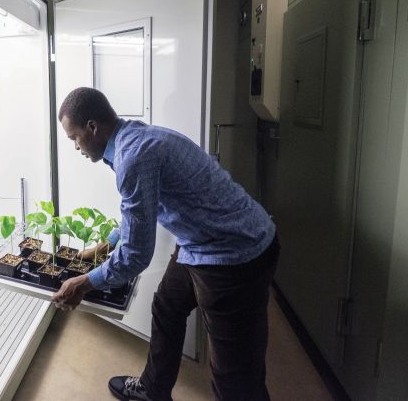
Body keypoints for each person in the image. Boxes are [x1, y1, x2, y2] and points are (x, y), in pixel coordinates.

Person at [51, 87, 279, 401]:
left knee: (236, 378)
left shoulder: (133, 156)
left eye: (74, 137)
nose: (75, 146)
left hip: (234, 255)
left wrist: (85, 283)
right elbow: (141, 208)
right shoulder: (134, 138)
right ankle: (154, 389)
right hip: (200, 243)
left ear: (93, 127)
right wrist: (107, 243)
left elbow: (136, 256)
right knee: (167, 306)